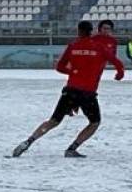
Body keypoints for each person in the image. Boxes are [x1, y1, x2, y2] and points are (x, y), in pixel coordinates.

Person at [11, 21, 124, 159]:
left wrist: (74, 72)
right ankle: (72, 148)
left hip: (70, 89)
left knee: (54, 120)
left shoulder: (73, 46)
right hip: (88, 92)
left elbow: (59, 67)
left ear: (78, 31)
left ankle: (28, 141)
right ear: (92, 31)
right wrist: (119, 74)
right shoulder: (99, 47)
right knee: (94, 122)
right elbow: (118, 63)